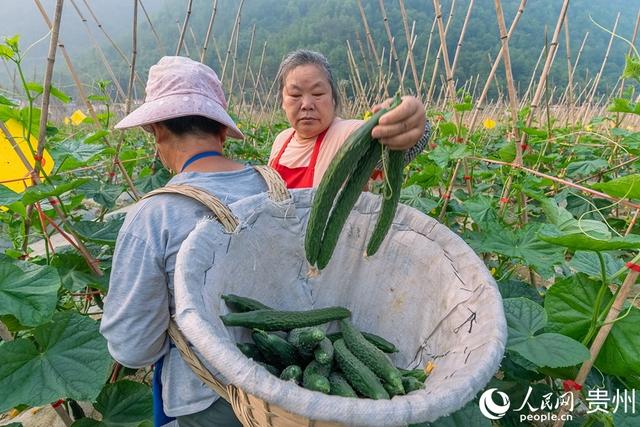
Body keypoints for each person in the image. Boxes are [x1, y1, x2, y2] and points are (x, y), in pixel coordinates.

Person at [100, 56, 254, 427]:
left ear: (157, 130)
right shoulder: (272, 187)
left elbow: (134, 347)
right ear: (220, 130)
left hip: (209, 401)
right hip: (286, 384)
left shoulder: (156, 215)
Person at [269, 49, 430, 188]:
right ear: (283, 101)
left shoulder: (348, 133)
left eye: (317, 94)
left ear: (333, 98)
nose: (307, 104)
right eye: (295, 94)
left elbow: (391, 154)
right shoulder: (281, 140)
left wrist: (412, 121)